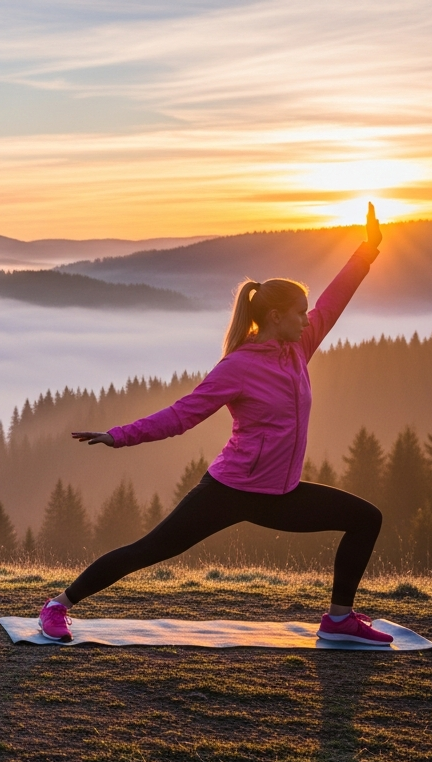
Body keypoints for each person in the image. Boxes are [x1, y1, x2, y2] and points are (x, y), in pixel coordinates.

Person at [41, 203, 391, 645]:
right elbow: (183, 414)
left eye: (306, 314)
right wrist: (118, 436)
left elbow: (332, 301)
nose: (308, 319)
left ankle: (339, 619)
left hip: (280, 495)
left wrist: (367, 250)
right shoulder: (238, 366)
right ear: (277, 317)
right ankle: (57, 606)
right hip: (229, 491)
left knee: (365, 519)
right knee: (149, 550)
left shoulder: (298, 346)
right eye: (299, 313)